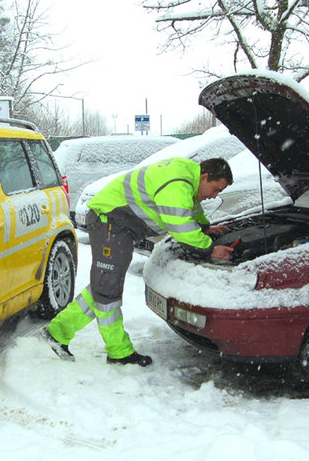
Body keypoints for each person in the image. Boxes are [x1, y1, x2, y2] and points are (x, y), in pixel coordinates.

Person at [41, 157, 235, 367]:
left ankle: (57, 332)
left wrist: (205, 228)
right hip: (109, 221)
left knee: (104, 284)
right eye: (215, 189)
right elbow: (179, 224)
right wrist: (209, 248)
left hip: (118, 227)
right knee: (107, 290)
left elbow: (190, 208)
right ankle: (119, 352)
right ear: (204, 177)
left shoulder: (188, 177)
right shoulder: (178, 182)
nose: (214, 196)